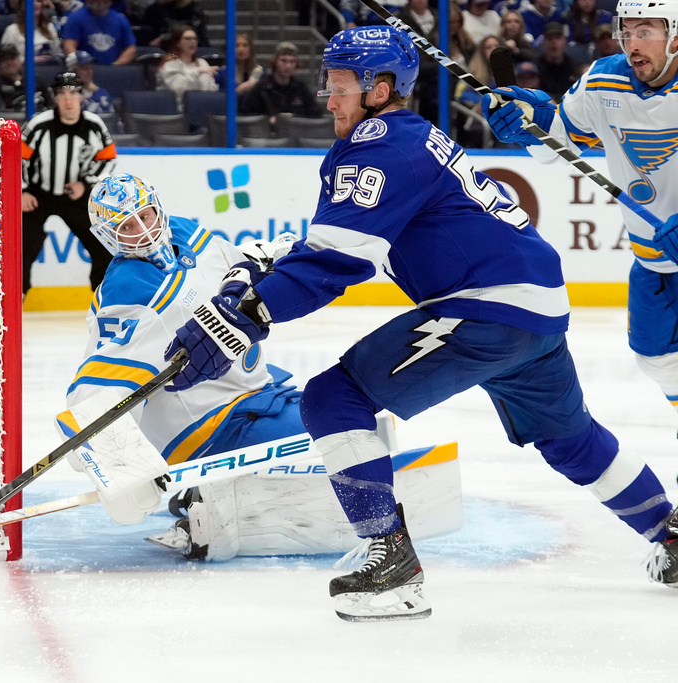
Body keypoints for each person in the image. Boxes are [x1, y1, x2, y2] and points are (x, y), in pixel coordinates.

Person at [167, 25, 678, 621]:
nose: (329, 99)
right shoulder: (406, 137)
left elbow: (341, 260)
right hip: (534, 307)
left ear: (381, 89)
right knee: (570, 438)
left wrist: (249, 315)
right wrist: (268, 266)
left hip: (488, 305)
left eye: (340, 86)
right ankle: (669, 532)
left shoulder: (380, 143)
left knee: (333, 398)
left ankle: (391, 568)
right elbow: (336, 240)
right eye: (327, 83)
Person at [60, 172, 461, 559]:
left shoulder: (188, 235)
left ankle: (210, 491)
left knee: (354, 426)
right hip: (209, 429)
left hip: (254, 398)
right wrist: (118, 463)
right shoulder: (128, 294)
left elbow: (235, 264)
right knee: (345, 437)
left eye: (144, 216)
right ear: (107, 236)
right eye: (126, 226)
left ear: (157, 209)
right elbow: (94, 392)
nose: (142, 230)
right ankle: (213, 505)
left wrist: (270, 255)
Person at [482, 1, 678, 480]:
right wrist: (529, 119)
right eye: (627, 31)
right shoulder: (603, 79)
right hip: (653, 263)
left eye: (647, 31)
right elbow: (562, 138)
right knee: (656, 360)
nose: (633, 43)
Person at [20, 72, 117, 296]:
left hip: (76, 195)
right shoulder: (39, 125)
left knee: (103, 245)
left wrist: (86, 183)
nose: (68, 99)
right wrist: (23, 191)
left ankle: (103, 296)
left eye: (73, 93)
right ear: (55, 98)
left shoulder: (94, 125)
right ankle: (18, 297)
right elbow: (18, 159)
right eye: (62, 93)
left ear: (81, 97)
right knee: (24, 245)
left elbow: (108, 158)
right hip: (38, 194)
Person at [239, 41, 320, 124]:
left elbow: (316, 115)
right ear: (275, 62)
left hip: (295, 132)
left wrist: (294, 117)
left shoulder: (301, 88)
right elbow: (246, 114)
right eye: (283, 61)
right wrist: (266, 120)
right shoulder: (262, 88)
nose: (288, 66)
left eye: (292, 62)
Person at [156, 25, 218, 106]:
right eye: (188, 39)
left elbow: (211, 89)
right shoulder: (169, 65)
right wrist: (197, 71)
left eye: (195, 39)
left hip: (203, 106)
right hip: (176, 108)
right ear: (178, 43)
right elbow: (179, 89)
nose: (192, 41)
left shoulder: (202, 63)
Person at [61, 0, 136, 65]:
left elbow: (130, 49)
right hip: (84, 71)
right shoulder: (75, 18)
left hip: (114, 71)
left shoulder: (121, 20)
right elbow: (69, 46)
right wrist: (83, 66)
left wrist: (114, 67)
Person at [0, 0, 62, 65]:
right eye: (31, 1)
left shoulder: (50, 27)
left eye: (38, 1)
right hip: (24, 70)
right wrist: (30, 60)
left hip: (49, 69)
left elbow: (58, 54)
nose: (35, 4)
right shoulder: (12, 30)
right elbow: (6, 58)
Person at [535, 22, 581, 101]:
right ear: (544, 43)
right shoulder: (535, 67)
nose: (554, 42)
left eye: (558, 38)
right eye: (550, 39)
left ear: (564, 42)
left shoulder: (575, 67)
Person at [213, 32, 263, 98]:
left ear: (251, 49)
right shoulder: (223, 74)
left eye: (245, 45)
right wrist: (240, 89)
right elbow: (219, 99)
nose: (241, 49)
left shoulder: (260, 72)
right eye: (236, 45)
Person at [67, 49, 115, 115]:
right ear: (73, 71)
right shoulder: (64, 96)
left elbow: (112, 119)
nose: (90, 72)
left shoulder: (101, 93)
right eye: (85, 69)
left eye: (91, 68)